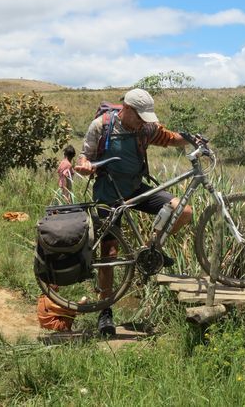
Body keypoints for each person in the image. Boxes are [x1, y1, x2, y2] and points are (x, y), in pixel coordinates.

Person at [74, 88, 194, 336]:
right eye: (139, 116)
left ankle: (152, 251)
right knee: (109, 254)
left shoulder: (145, 128)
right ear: (126, 109)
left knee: (183, 210)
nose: (143, 122)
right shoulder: (102, 126)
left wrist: (193, 138)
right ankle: (105, 312)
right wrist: (85, 166)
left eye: (145, 117)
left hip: (136, 188)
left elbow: (170, 138)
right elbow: (84, 157)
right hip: (108, 194)